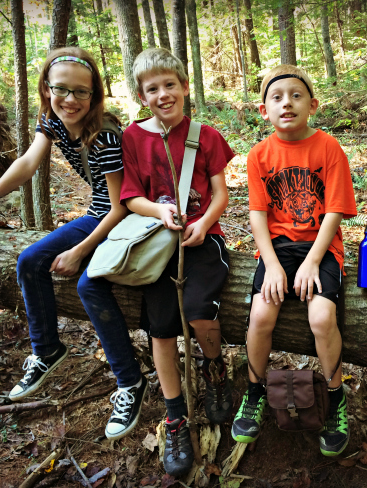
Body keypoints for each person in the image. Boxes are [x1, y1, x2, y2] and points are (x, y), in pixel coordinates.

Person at [0, 47, 150, 441]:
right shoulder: (52, 119)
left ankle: (130, 382)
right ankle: (47, 349)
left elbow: (119, 207)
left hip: (128, 217)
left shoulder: (104, 135)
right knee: (30, 261)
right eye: (61, 89)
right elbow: (29, 161)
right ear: (47, 89)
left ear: (95, 95)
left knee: (90, 285)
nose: (70, 100)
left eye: (81, 92)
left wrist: (79, 251)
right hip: (97, 215)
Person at [116, 48, 234, 477]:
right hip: (158, 243)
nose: (163, 94)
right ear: (141, 95)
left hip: (203, 240)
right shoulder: (133, 137)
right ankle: (175, 415)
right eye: (152, 89)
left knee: (200, 310)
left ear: (185, 87)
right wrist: (159, 212)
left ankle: (215, 368)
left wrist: (203, 223)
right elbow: (131, 196)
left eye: (170, 85)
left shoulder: (205, 134)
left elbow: (220, 192)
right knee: (161, 327)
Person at [233, 65, 357, 457]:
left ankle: (335, 397)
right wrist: (270, 264)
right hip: (278, 248)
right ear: (263, 110)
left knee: (321, 318)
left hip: (320, 248)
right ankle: (254, 391)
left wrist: (312, 261)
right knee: (261, 317)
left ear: (313, 105)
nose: (287, 102)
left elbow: (335, 209)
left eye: (296, 95)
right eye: (277, 97)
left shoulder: (328, 148)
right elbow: (257, 215)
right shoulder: (259, 155)